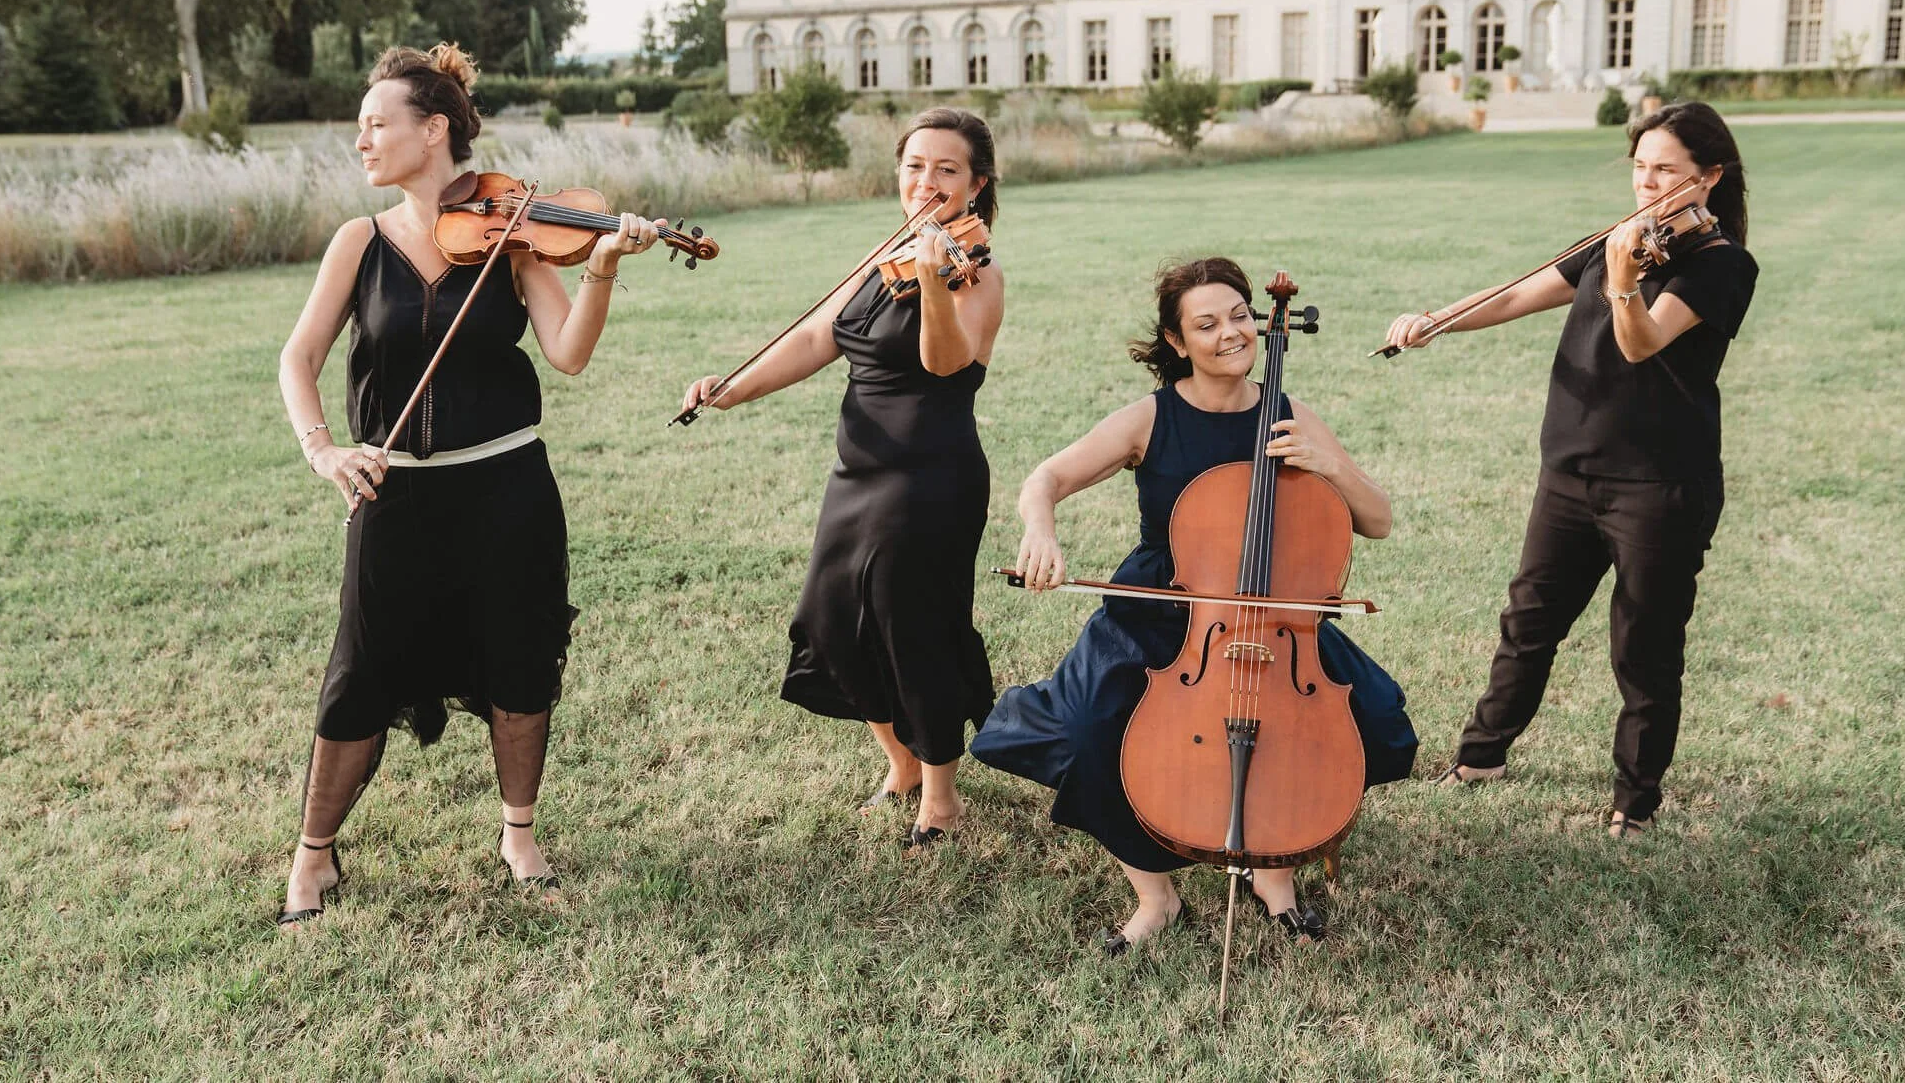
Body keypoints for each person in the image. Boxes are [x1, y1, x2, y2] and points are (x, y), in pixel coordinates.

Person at [275, 43, 664, 926]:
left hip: (506, 491)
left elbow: (568, 353)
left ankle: (519, 834)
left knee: (520, 662)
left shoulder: (516, 234)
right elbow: (298, 359)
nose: (362, 141)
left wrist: (602, 264)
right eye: (362, 126)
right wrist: (324, 450)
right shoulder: (359, 242)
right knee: (359, 674)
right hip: (395, 496)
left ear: (433, 130)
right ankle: (314, 853)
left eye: (377, 124)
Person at [971, 258, 1417, 954]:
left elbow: (1378, 520)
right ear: (1177, 342)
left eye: (1239, 316)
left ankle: (1274, 873)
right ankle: (1156, 897)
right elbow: (1046, 479)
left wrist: (1327, 464)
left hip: (1275, 615)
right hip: (1164, 609)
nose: (1230, 333)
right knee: (1090, 730)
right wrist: (1040, 530)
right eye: (1206, 325)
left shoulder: (1289, 414)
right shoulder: (1152, 417)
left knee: (1368, 721)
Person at [1384, 100, 1757, 837]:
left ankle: (1635, 802)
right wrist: (1438, 321)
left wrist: (1622, 280)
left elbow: (1641, 342)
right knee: (1528, 621)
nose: (1647, 184)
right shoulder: (1619, 240)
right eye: (1640, 168)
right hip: (1570, 473)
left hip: (1659, 487)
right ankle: (1481, 756)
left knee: (1644, 648)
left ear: (1710, 176)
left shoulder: (1722, 264)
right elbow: (1519, 295)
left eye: (1667, 171)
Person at [679, 108, 1004, 849]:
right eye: (915, 165)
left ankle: (942, 797)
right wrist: (731, 388)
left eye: (947, 169)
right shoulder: (884, 254)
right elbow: (813, 336)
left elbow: (945, 364)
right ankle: (902, 763)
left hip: (929, 480)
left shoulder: (976, 271)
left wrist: (933, 282)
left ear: (977, 185)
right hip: (858, 474)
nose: (927, 181)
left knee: (915, 630)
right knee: (828, 622)